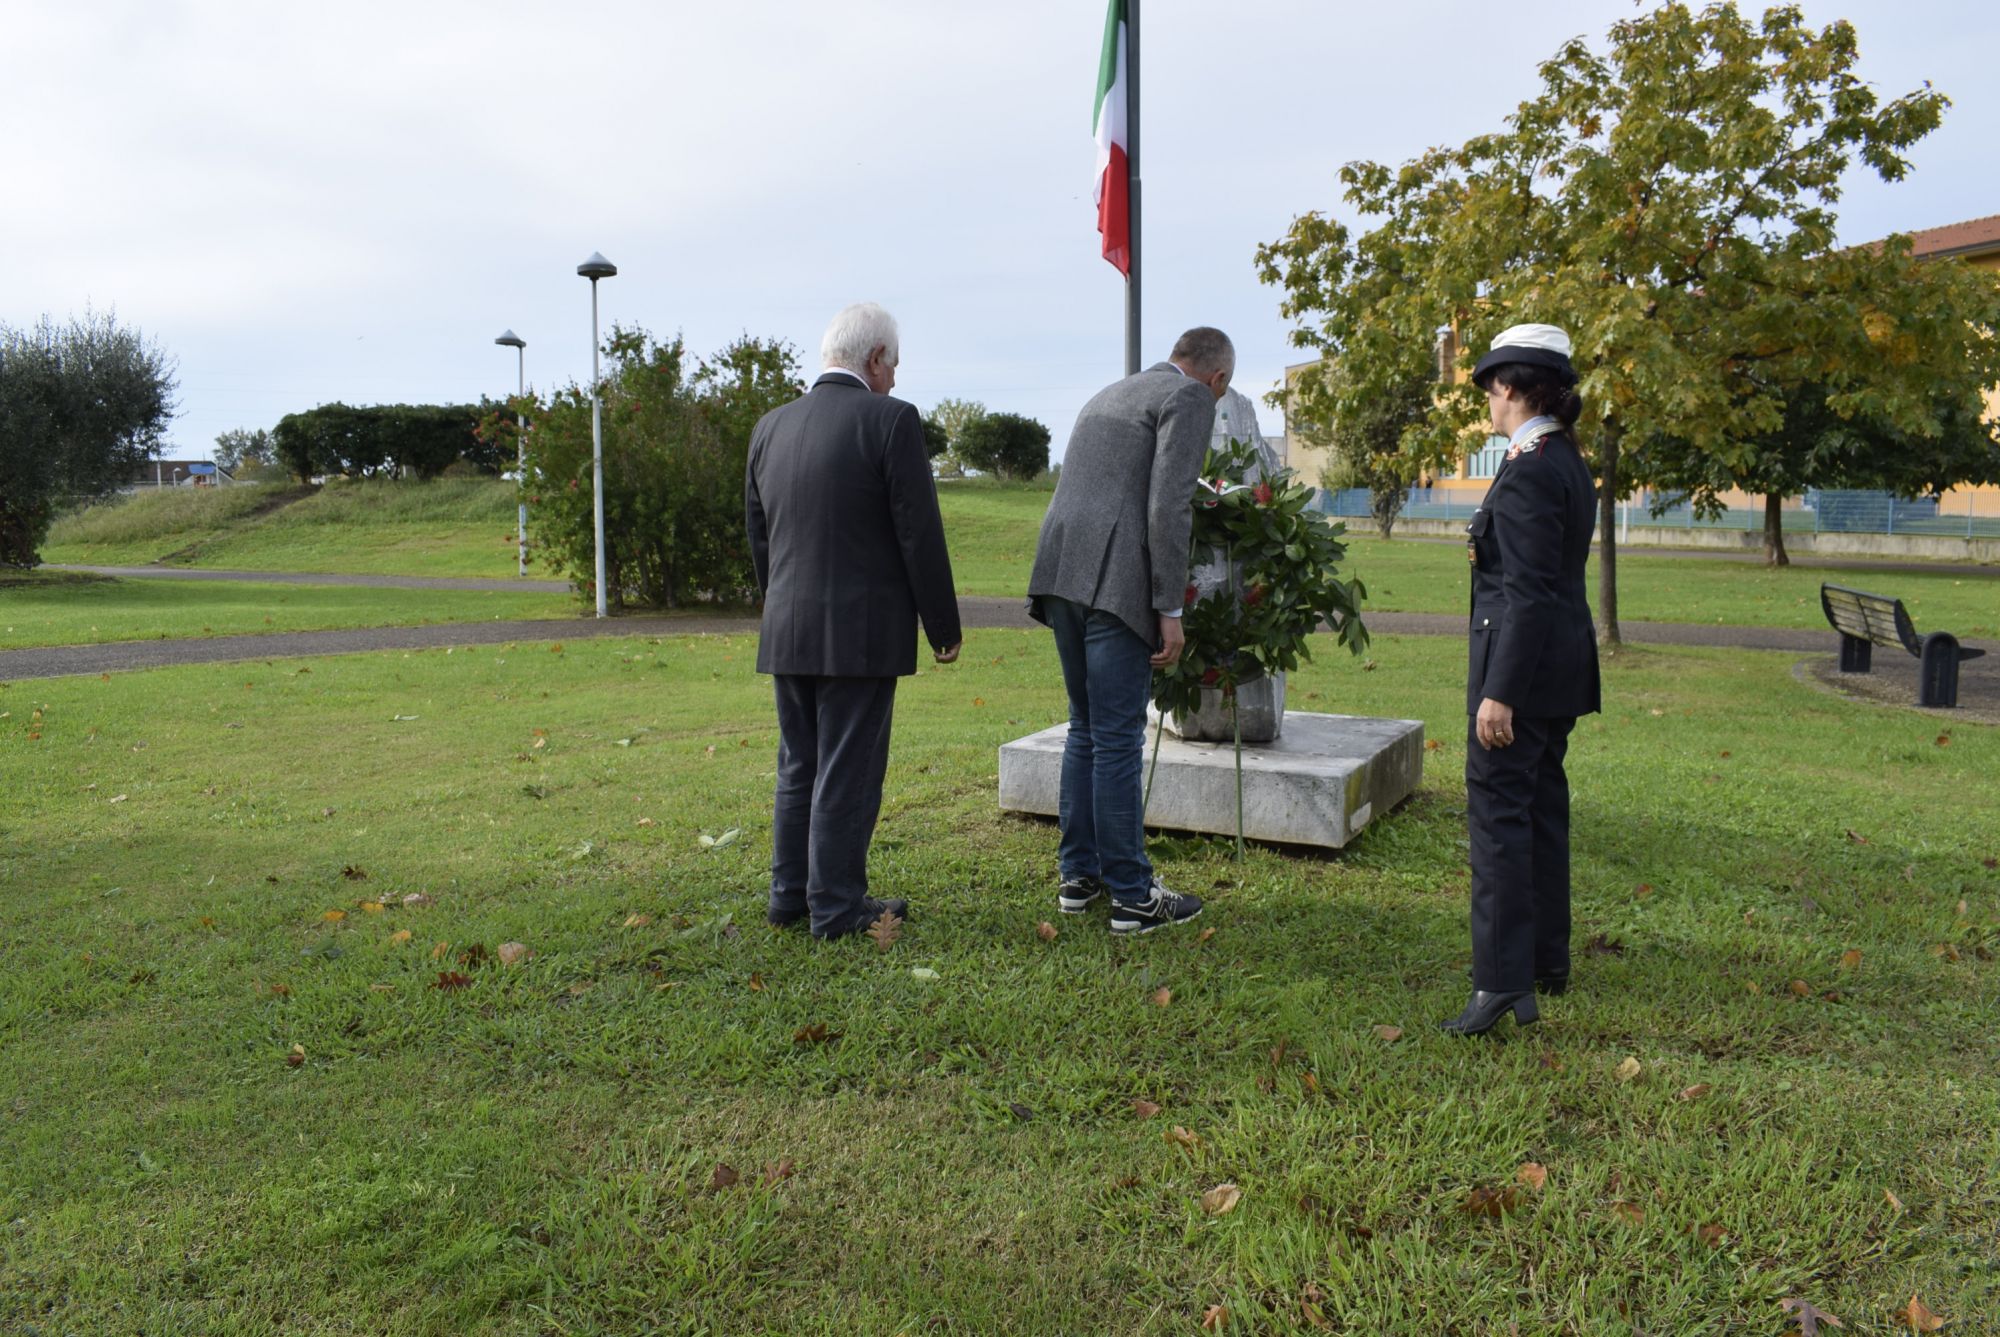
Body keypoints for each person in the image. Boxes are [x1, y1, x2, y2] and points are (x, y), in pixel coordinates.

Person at [745, 302, 962, 940]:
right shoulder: (891, 420)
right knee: (848, 768)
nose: (895, 380)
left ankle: (791, 897)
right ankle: (837, 908)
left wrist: (780, 603)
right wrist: (943, 626)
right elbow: (918, 532)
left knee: (799, 764)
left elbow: (759, 534)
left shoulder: (770, 427)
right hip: (862, 634)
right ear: (874, 360)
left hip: (787, 625)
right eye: (892, 366)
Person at [1026, 327, 1232, 934]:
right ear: (1216, 379)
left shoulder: (1112, 392)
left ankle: (1079, 876)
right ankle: (1134, 897)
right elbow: (1169, 503)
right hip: (1116, 582)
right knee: (1116, 737)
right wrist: (1170, 606)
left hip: (1061, 571)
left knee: (1085, 728)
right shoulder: (1191, 397)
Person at [1443, 323, 1601, 1035]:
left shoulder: (1532, 465)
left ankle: (1502, 983)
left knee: (1501, 819)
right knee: (1540, 812)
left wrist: (1498, 690)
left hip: (1522, 672)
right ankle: (1545, 960)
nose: (1486, 400)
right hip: (1558, 666)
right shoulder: (1564, 457)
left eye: (1489, 387)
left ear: (1512, 385)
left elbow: (1529, 589)